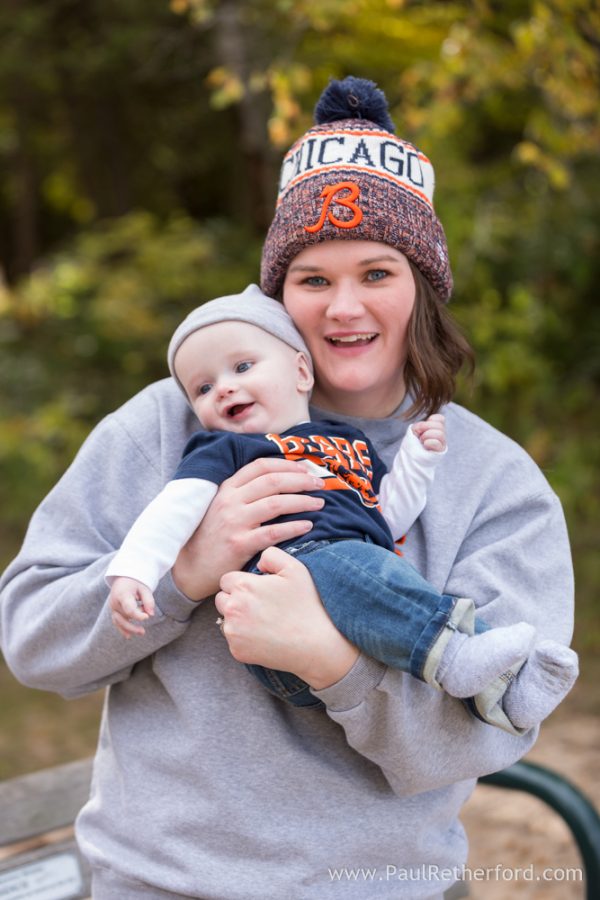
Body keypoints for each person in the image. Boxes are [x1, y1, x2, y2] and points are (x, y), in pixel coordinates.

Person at [0, 76, 577, 900]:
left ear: (421, 286)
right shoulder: (175, 421)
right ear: (277, 295)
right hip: (159, 882)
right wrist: (184, 570)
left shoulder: (492, 481)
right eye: (312, 280)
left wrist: (334, 663)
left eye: (376, 272)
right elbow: (31, 636)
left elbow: (483, 735)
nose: (344, 308)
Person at [107, 286, 576, 727]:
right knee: (354, 564)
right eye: (203, 389)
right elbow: (174, 508)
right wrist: (136, 571)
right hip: (282, 596)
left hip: (350, 624)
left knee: (381, 567)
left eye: (242, 367)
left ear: (300, 372)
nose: (224, 388)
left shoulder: (348, 442)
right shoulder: (225, 448)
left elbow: (386, 516)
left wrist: (418, 459)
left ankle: (505, 690)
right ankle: (456, 655)